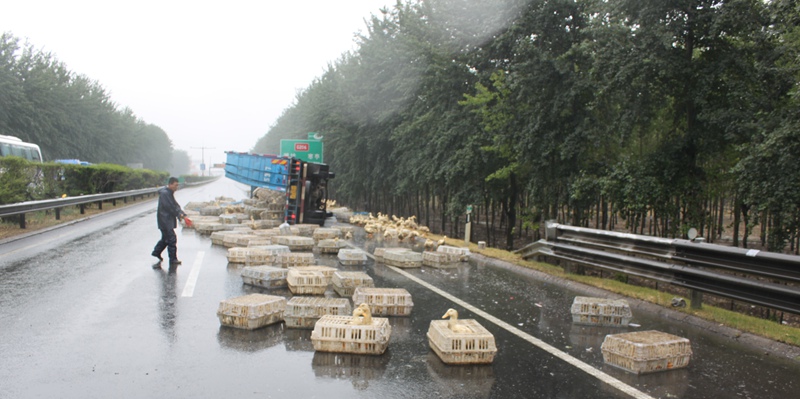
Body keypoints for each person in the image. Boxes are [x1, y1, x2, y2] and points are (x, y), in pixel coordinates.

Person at [152, 177, 186, 266]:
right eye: (175, 185)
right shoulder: (165, 194)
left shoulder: (169, 193)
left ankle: (156, 252)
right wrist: (178, 214)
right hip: (165, 220)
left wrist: (182, 213)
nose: (176, 187)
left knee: (166, 239)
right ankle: (173, 259)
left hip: (166, 220)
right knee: (171, 238)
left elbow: (175, 205)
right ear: (170, 184)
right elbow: (170, 207)